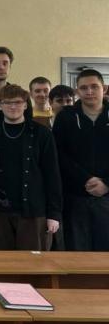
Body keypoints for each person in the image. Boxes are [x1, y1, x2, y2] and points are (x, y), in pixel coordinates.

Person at [0, 84, 62, 251]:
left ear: (26, 105)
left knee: (34, 263)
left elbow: (52, 175)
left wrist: (54, 214)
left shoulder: (42, 134)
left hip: (33, 211)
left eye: (18, 102)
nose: (13, 106)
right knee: (0, 263)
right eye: (7, 102)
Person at [53, 69, 109, 251]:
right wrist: (86, 179)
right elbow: (59, 154)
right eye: (84, 88)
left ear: (104, 88)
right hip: (75, 197)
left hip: (107, 196)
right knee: (76, 253)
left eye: (94, 87)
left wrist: (106, 183)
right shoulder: (65, 117)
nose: (89, 91)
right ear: (77, 91)